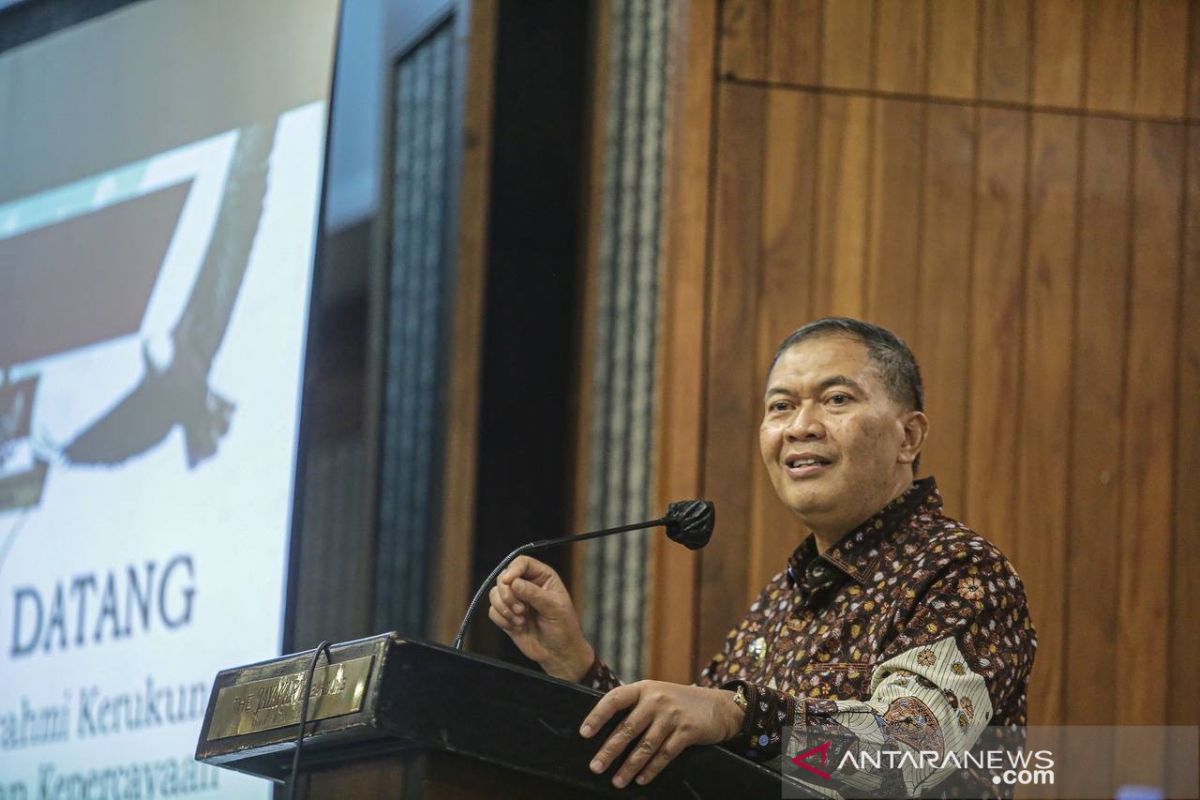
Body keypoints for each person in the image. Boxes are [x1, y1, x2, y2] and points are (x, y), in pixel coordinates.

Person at [488, 317, 1036, 796]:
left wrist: (736, 714)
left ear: (908, 437)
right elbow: (691, 765)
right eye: (781, 406)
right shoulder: (782, 598)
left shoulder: (961, 572)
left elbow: (906, 754)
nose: (800, 426)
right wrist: (573, 665)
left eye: (837, 399)